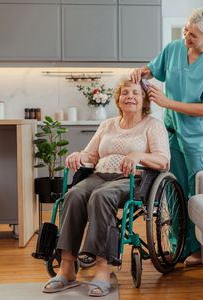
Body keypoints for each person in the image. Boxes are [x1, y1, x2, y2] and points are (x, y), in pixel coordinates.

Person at [42, 79, 170, 296]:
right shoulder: (107, 125)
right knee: (73, 195)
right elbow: (90, 155)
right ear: (118, 99)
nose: (129, 96)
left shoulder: (153, 125)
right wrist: (78, 156)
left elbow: (163, 161)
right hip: (100, 174)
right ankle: (66, 267)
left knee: (101, 196)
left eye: (136, 93)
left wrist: (138, 155)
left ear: (145, 100)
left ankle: (103, 268)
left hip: (132, 179)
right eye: (125, 93)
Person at [130, 7, 203, 266]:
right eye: (186, 30)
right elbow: (152, 69)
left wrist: (166, 102)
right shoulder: (174, 49)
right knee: (174, 192)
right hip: (173, 133)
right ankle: (180, 246)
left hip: (200, 139)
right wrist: (139, 73)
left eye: (193, 35)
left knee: (198, 196)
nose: (187, 37)